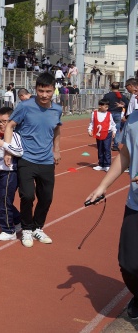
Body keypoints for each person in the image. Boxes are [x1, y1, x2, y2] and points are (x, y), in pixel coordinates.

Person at [86, 102, 138, 320]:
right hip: (135, 203)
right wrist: (102, 186)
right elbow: (126, 155)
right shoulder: (133, 119)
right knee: (128, 264)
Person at [4, 72, 62, 248]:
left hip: (47, 161)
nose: (44, 95)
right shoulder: (25, 106)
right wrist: (8, 150)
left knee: (46, 198)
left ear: (53, 90)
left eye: (48, 91)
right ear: (36, 89)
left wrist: (56, 150)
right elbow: (10, 125)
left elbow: (57, 130)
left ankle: (38, 227)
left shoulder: (57, 109)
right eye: (41, 91)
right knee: (27, 195)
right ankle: (27, 229)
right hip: (26, 159)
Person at [0, 106, 23, 240]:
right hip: (1, 172)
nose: (1, 124)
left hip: (10, 172)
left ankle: (8, 230)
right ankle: (18, 219)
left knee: (4, 200)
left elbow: (20, 151)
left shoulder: (14, 135)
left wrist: (3, 144)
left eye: (4, 121)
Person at [88, 99, 116, 172]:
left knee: (107, 149)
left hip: (107, 133)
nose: (107, 108)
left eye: (107, 107)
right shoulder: (94, 113)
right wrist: (90, 130)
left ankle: (107, 165)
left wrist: (114, 131)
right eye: (105, 107)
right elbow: (92, 122)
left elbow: (112, 123)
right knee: (100, 149)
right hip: (99, 134)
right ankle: (101, 164)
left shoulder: (109, 114)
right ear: (100, 106)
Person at [104, 82, 128, 151]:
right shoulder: (121, 95)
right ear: (119, 87)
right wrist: (122, 106)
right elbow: (127, 104)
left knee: (107, 129)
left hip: (109, 113)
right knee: (117, 129)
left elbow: (103, 103)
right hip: (118, 113)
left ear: (111, 87)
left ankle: (106, 144)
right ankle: (115, 145)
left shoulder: (107, 95)